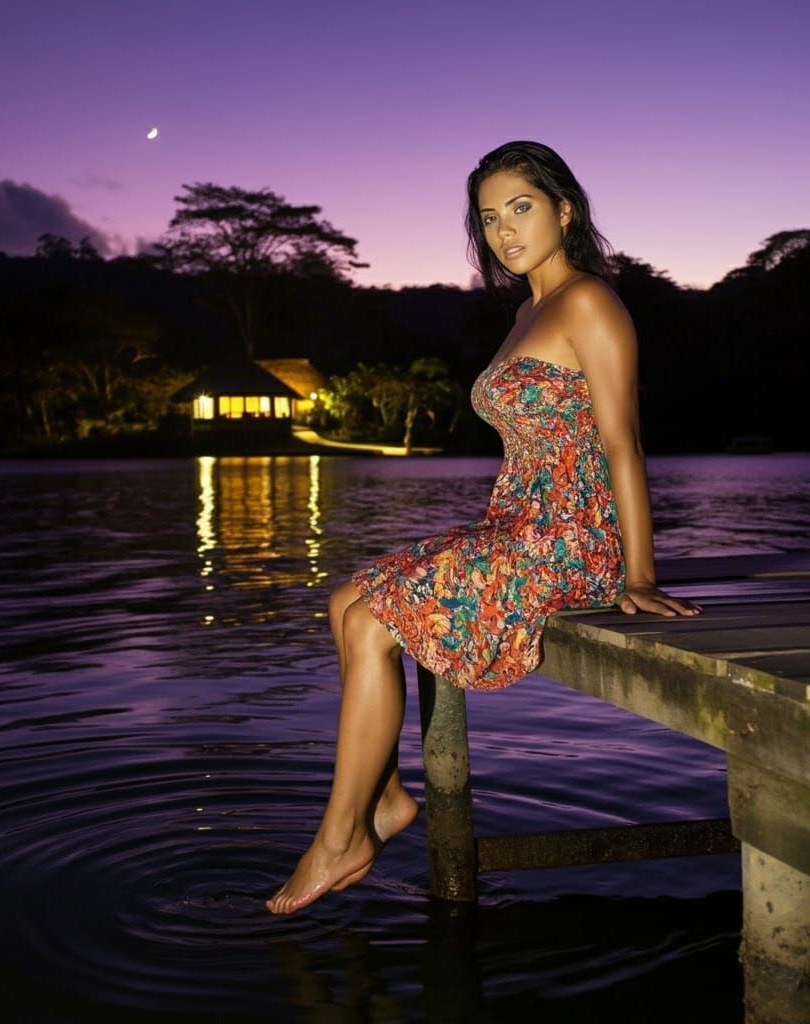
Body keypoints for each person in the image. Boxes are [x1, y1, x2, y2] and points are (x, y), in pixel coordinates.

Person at [267, 140, 703, 915]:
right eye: (490, 218)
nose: (505, 232)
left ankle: (339, 838)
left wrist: (639, 577)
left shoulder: (591, 302)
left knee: (373, 626)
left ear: (565, 209)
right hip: (515, 523)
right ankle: (389, 797)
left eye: (522, 209)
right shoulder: (526, 309)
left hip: (571, 537)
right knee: (344, 601)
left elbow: (622, 442)